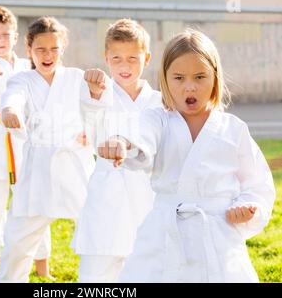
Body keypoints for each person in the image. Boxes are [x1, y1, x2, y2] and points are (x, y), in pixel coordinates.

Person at [98, 29, 275, 282]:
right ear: (165, 79)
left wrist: (248, 207)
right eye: (179, 77)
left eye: (200, 76)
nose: (189, 86)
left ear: (215, 77)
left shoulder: (233, 129)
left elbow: (257, 182)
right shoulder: (157, 119)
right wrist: (122, 142)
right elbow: (141, 136)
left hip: (217, 233)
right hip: (164, 233)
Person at [0, 16, 108, 282]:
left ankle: (100, 281)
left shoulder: (77, 77)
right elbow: (13, 99)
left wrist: (91, 122)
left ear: (63, 48)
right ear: (29, 50)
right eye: (41, 49)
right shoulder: (21, 80)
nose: (48, 55)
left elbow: (99, 108)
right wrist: (10, 111)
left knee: (96, 229)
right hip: (38, 166)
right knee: (18, 238)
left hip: (75, 164)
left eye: (54, 49)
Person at [71, 19, 162, 282]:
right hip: (108, 196)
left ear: (147, 57)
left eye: (133, 58)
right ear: (106, 58)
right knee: (96, 272)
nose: (125, 65)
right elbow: (90, 118)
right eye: (117, 58)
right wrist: (94, 93)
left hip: (148, 194)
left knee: (146, 268)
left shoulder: (158, 100)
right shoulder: (98, 93)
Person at [0, 6, 52, 283]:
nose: (1, 40)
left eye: (6, 34)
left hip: (25, 140)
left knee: (34, 202)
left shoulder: (29, 64)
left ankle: (42, 266)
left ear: (15, 36)